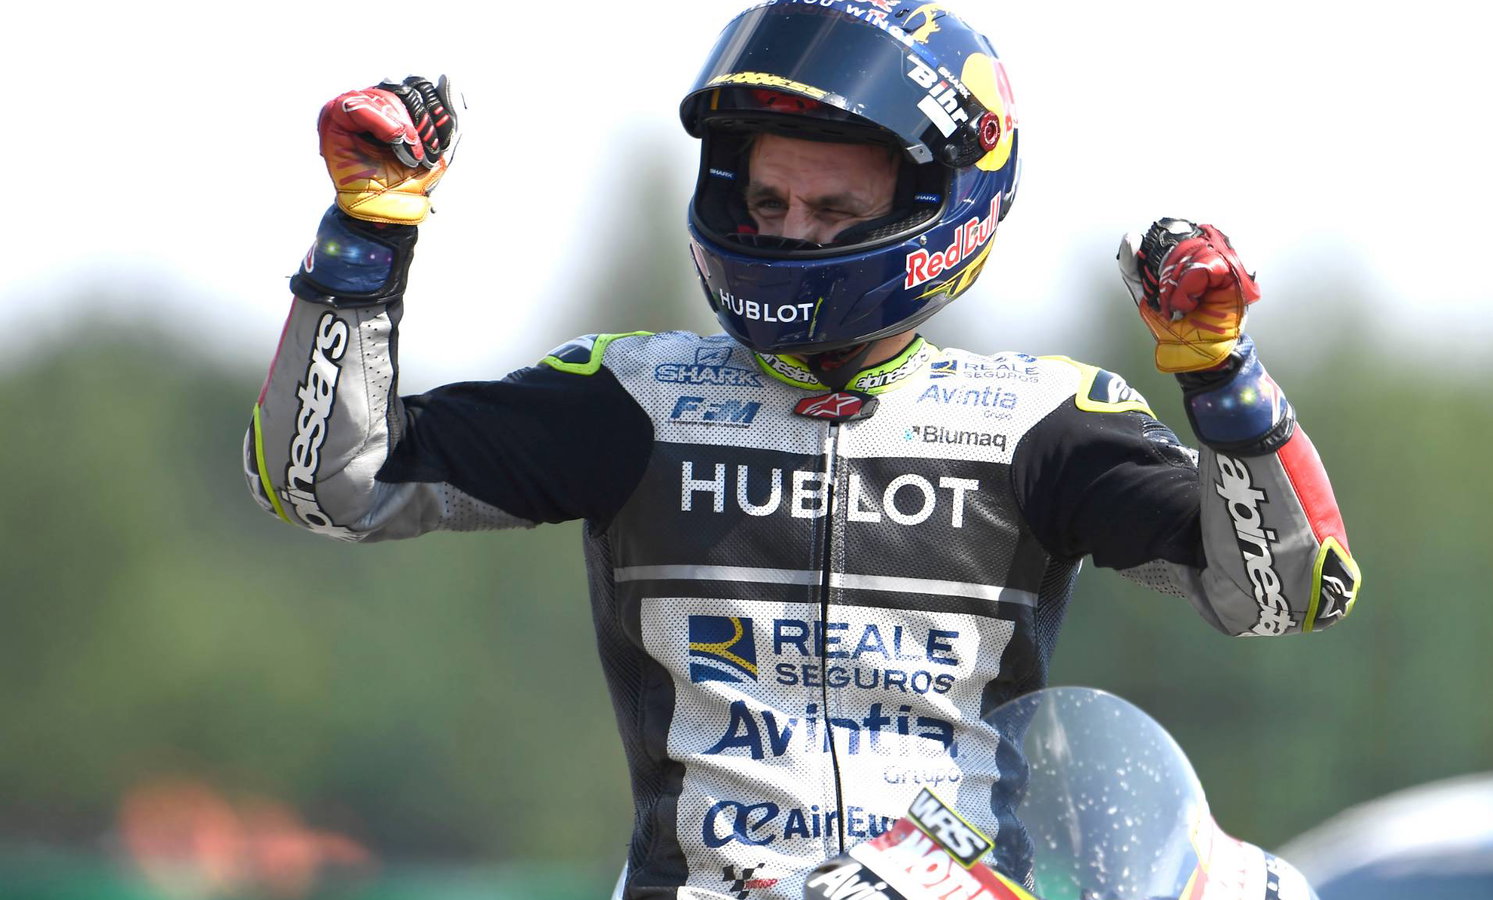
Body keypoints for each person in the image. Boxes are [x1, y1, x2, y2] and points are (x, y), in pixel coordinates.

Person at [243, 4, 1361, 898]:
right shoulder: (634, 398)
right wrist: (365, 237)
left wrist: (1222, 378)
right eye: (770, 199)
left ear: (940, 204)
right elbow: (329, 484)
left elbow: (1288, 591)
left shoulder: (1039, 420)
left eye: (831, 207)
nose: (790, 230)